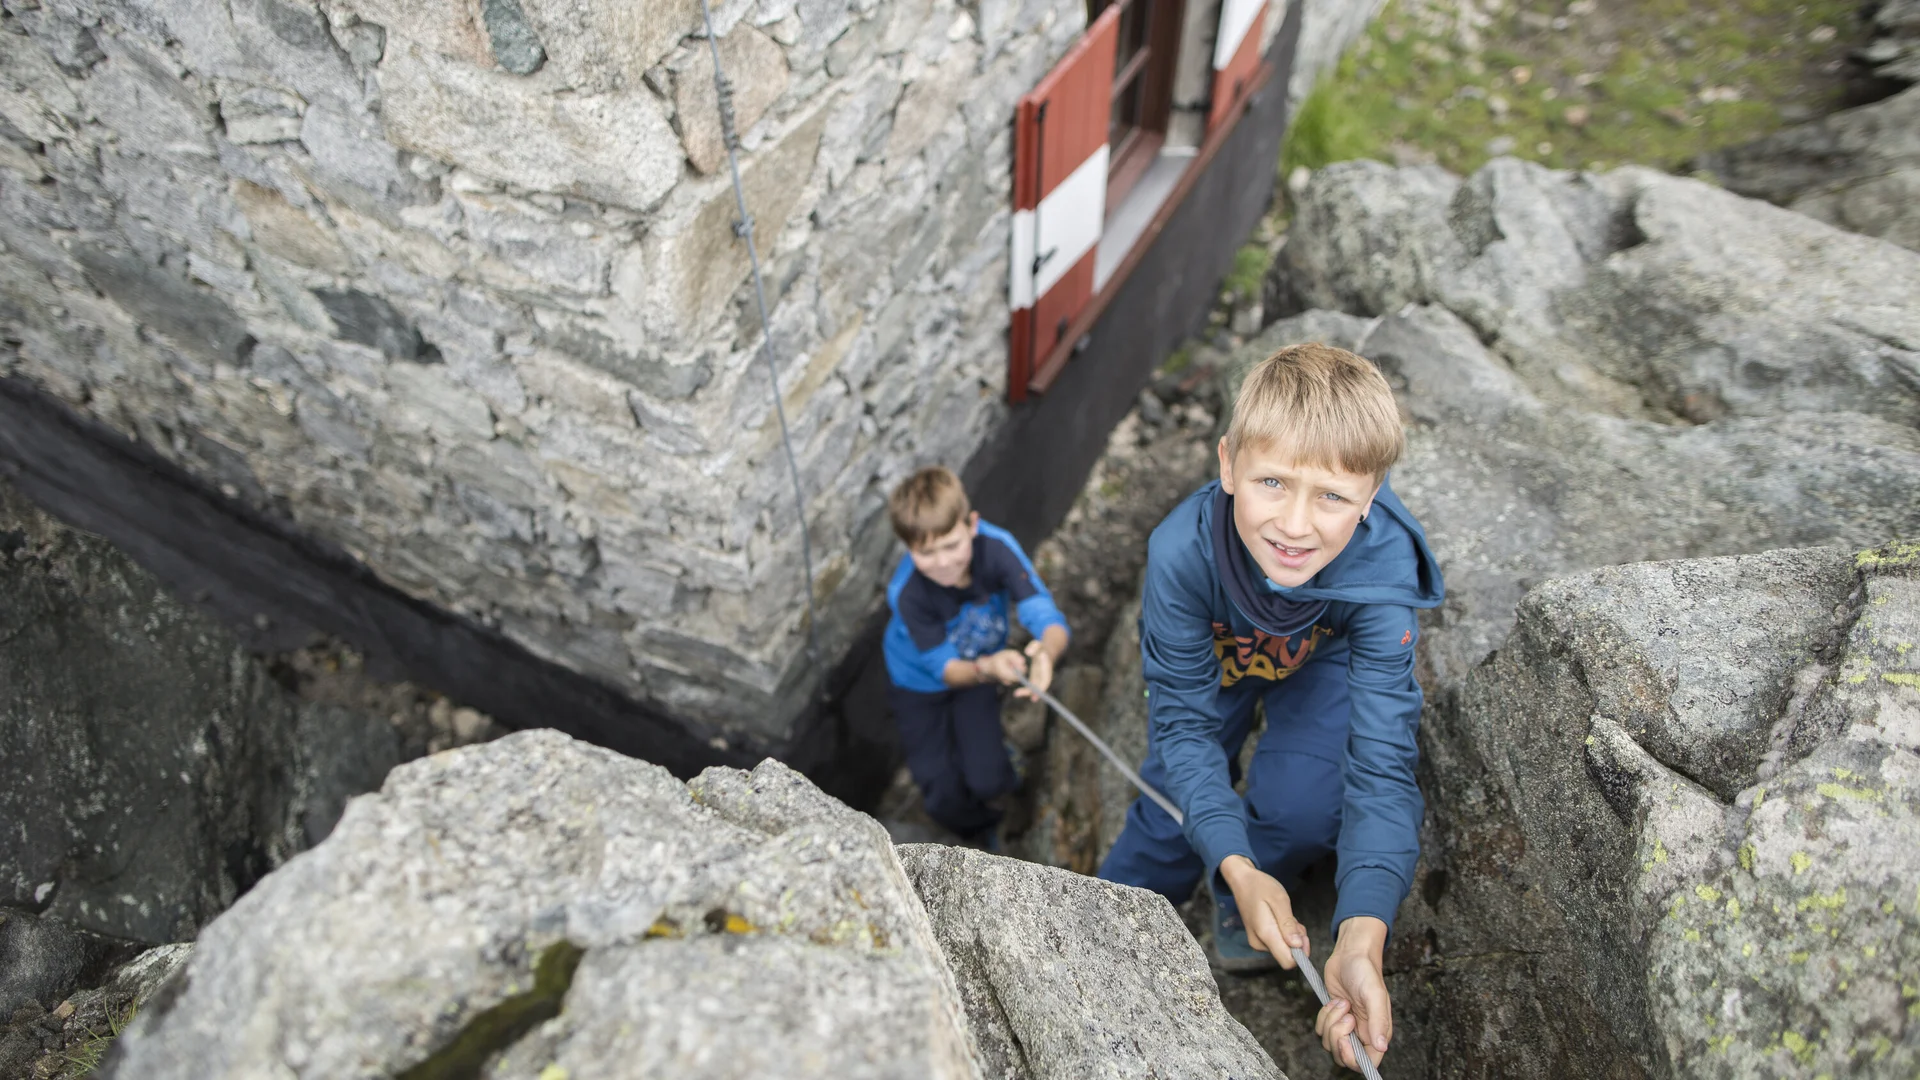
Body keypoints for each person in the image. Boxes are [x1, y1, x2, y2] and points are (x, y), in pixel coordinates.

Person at [1097, 343, 1443, 1073]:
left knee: (1300, 810)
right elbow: (1186, 728)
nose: (1294, 525)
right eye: (1272, 482)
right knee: (1170, 806)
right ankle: (1105, 925)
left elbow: (1381, 774)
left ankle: (1246, 906)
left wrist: (1360, 934)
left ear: (1372, 497)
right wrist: (1231, 859)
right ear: (1227, 466)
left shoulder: (1383, 585)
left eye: (1333, 497)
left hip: (1326, 653)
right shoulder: (1183, 556)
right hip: (1219, 650)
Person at [882, 466, 1070, 844]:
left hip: (980, 672)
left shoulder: (996, 548)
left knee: (988, 777)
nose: (943, 562)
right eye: (926, 552)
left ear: (972, 524)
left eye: (951, 544)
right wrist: (989, 667)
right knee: (940, 790)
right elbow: (948, 670)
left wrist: (1046, 654)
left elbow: (1045, 616)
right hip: (917, 684)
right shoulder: (908, 593)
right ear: (908, 549)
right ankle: (979, 831)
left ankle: (1004, 784)